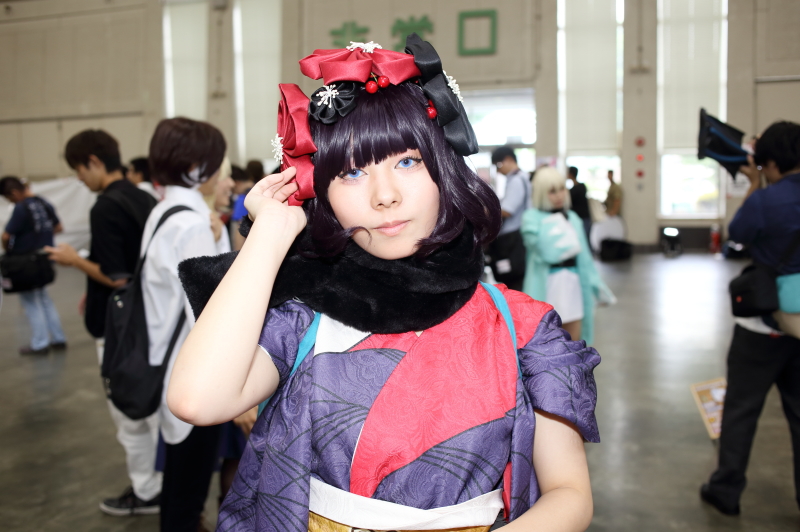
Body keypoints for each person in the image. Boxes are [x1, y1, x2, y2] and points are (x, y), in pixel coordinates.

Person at [168, 35, 599, 532]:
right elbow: (197, 400)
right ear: (321, 191)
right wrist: (270, 232)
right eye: (351, 173)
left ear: (444, 167)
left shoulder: (523, 327)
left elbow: (569, 494)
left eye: (407, 161)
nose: (384, 195)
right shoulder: (306, 317)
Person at [47, 129, 161, 516]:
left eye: (79, 170)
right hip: (148, 320)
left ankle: (147, 491)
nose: (79, 179)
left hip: (119, 330)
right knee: (151, 407)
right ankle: (161, 482)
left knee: (129, 417)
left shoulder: (105, 207)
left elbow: (117, 278)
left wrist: (74, 261)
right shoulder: (144, 197)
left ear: (94, 162)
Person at [701, 121, 800, 516]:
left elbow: (737, 237)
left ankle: (726, 491)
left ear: (770, 163)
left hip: (763, 325)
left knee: (741, 409)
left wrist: (756, 185)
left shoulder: (766, 199)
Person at [142, 117, 228, 532]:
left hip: (165, 366)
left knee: (177, 484)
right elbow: (212, 308)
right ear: (195, 166)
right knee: (188, 493)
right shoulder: (193, 223)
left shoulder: (163, 212)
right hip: (194, 376)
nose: (218, 170)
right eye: (214, 161)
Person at [520, 167, 614, 345]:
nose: (559, 196)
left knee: (574, 344)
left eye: (562, 189)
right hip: (546, 285)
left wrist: (597, 287)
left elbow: (585, 259)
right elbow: (547, 251)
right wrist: (559, 225)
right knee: (545, 344)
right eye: (552, 191)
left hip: (573, 284)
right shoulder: (531, 218)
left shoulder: (573, 218)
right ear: (541, 193)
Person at [0, 176, 67, 354]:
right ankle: (58, 338)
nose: (10, 201)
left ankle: (40, 343)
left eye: (8, 198)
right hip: (44, 259)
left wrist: (9, 250)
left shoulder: (21, 208)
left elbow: (6, 236)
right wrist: (42, 238)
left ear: (14, 193)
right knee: (44, 299)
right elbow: (59, 227)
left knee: (31, 302)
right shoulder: (43, 203)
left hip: (25, 263)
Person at [487, 145, 531, 291]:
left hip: (513, 236)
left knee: (512, 277)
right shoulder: (522, 177)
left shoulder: (517, 180)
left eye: (498, 165)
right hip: (517, 234)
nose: (498, 171)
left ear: (509, 160)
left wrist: (486, 211)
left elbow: (507, 211)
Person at [567, 166, 592, 241]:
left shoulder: (573, 190)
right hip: (585, 216)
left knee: (582, 239)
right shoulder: (582, 186)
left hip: (580, 217)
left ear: (571, 174)